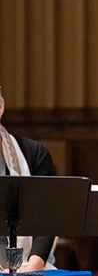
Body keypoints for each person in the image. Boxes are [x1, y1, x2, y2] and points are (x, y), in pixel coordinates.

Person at [0, 87, 57, 272]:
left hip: (30, 265)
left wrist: (32, 268)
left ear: (0, 106)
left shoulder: (34, 154)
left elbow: (47, 217)